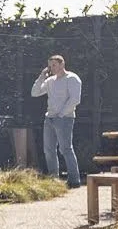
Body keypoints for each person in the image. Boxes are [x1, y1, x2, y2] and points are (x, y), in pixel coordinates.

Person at [32, 54, 83, 187]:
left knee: (66, 148)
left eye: (54, 65)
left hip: (64, 118)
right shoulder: (50, 81)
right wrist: (41, 76)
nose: (51, 68)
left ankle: (74, 180)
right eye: (50, 66)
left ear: (62, 64)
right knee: (48, 150)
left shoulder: (72, 78)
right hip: (49, 118)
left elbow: (75, 100)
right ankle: (54, 180)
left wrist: (61, 114)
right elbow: (35, 92)